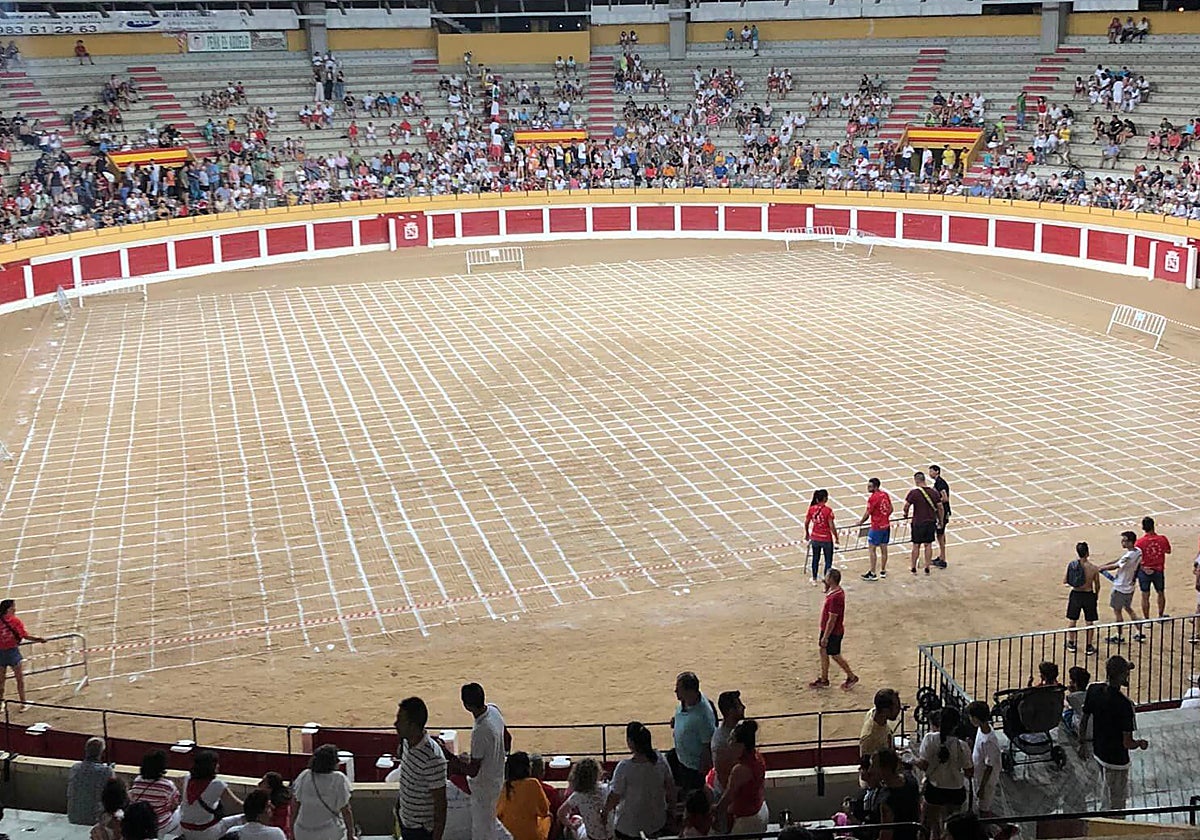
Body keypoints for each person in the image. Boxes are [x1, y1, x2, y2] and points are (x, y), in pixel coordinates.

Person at [1079, 655, 1148, 811]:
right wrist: (1140, 743)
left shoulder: (1093, 689)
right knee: (1116, 801)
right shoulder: (1125, 705)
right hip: (1117, 760)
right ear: (1122, 676)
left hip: (1098, 751)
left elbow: (1084, 719)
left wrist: (1081, 743)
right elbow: (1127, 743)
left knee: (1105, 790)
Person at [447, 683, 506, 840]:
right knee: (490, 822)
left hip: (484, 787)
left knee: (482, 830)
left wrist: (450, 757)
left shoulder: (480, 730)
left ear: (466, 705)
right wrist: (496, 757)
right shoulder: (494, 710)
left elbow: (473, 771)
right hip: (498, 775)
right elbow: (507, 738)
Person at [602, 722, 676, 840]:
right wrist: (671, 812)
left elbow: (614, 797)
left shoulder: (624, 767)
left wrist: (605, 813)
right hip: (656, 823)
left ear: (630, 742)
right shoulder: (660, 760)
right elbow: (671, 789)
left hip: (628, 827)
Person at [393, 697, 447, 840]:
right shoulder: (406, 741)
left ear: (413, 726)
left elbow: (440, 804)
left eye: (400, 720)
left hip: (420, 830)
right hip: (405, 819)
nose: (395, 724)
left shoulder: (433, 759)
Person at [916, 707, 973, 839]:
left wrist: (911, 759)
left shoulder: (930, 739)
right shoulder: (962, 745)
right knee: (952, 830)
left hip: (935, 790)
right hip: (956, 792)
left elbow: (924, 765)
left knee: (929, 826)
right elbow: (969, 772)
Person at [714, 720, 767, 834]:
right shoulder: (757, 757)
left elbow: (727, 798)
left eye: (732, 739)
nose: (729, 742)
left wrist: (715, 811)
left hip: (746, 820)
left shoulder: (740, 770)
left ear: (741, 745)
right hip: (758, 810)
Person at [292, 745, 354, 840]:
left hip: (302, 831)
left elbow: (295, 806)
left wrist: (291, 830)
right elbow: (346, 810)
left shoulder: (305, 775)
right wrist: (350, 834)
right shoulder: (339, 778)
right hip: (329, 832)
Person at [667, 671, 716, 793]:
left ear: (689, 691)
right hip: (681, 758)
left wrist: (702, 773)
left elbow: (707, 746)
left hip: (693, 768)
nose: (675, 691)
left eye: (679, 689)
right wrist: (677, 721)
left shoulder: (703, 717)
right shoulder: (687, 702)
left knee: (692, 794)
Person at [181, 750, 244, 840]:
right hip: (208, 832)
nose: (218, 766)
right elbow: (236, 805)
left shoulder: (187, 778)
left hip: (185, 829)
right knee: (242, 819)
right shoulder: (217, 784)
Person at [811, 569, 858, 690]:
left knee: (835, 655)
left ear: (831, 579)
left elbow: (832, 619)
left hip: (833, 632)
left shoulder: (835, 597)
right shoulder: (836, 591)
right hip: (828, 629)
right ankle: (824, 679)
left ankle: (851, 676)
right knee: (823, 651)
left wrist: (825, 637)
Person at [0, 598, 47, 710]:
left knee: (1, 681)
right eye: (13, 606)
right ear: (9, 609)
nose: (15, 609)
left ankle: (0, 703)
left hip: (1, 653)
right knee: (19, 679)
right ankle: (23, 703)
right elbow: (25, 635)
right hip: (12, 652)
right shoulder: (15, 621)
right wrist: (39, 639)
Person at [1098, 532, 1141, 644]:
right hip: (1130, 586)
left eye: (1124, 540)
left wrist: (1101, 568)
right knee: (1128, 608)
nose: (1122, 542)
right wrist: (1103, 566)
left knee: (1117, 611)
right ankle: (1139, 631)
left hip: (1120, 587)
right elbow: (1119, 560)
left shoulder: (1128, 556)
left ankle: (1119, 635)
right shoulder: (1138, 552)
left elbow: (1115, 566)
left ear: (1130, 542)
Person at [127, 750, 181, 838]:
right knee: (180, 812)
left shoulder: (137, 781)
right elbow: (174, 805)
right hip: (160, 825)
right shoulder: (167, 785)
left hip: (140, 824)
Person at [871, 750, 920, 840]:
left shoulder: (886, 800)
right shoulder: (911, 780)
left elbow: (886, 835)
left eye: (874, 766)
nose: (870, 770)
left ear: (886, 769)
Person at [556, 758, 609, 840]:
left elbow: (560, 813)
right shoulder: (607, 789)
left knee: (575, 819)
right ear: (598, 773)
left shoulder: (578, 795)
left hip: (591, 838)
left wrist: (572, 826)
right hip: (611, 837)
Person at [1064, 541, 1101, 657]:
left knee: (1072, 620)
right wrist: (1096, 595)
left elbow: (1066, 581)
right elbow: (1097, 585)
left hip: (1076, 594)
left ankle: (1071, 643)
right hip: (1088, 595)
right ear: (1087, 553)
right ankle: (1089, 646)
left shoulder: (1072, 565)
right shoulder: (1093, 568)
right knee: (1089, 621)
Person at [68, 737, 115, 825]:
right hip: (95, 818)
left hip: (73, 816)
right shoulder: (106, 771)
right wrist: (110, 770)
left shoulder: (75, 768)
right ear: (101, 753)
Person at [904, 473, 943, 575]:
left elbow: (906, 506)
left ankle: (913, 567)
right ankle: (927, 567)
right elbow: (940, 507)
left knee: (916, 545)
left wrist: (905, 514)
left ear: (916, 480)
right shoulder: (933, 492)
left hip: (918, 522)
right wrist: (940, 520)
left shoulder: (914, 493)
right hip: (930, 521)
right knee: (928, 544)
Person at [965, 702, 1000, 817]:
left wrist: (982, 788)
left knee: (984, 810)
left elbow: (989, 767)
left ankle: (1003, 825)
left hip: (985, 781)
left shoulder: (989, 741)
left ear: (975, 719)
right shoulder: (982, 730)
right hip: (978, 775)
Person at [1135, 516, 1171, 625]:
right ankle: (1160, 616)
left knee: (1145, 595)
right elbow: (1168, 551)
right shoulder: (1162, 539)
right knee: (1160, 593)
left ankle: (1147, 620)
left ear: (1143, 528)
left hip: (1144, 571)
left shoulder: (1139, 542)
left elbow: (1135, 558)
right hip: (1158, 570)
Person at [856, 478, 893, 581]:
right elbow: (891, 509)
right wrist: (884, 516)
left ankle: (872, 573)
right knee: (884, 549)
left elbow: (868, 513)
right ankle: (883, 571)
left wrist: (861, 522)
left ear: (875, 487)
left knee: (872, 549)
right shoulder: (885, 495)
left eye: (870, 487)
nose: (868, 488)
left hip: (876, 527)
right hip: (886, 525)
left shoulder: (873, 498)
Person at [710, 690, 744, 799]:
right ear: (731, 711)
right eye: (739, 705)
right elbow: (723, 777)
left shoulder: (735, 731)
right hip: (732, 795)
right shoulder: (721, 741)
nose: (743, 707)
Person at [805, 490, 838, 585]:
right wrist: (836, 537)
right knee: (828, 560)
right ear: (825, 499)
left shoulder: (811, 509)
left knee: (815, 558)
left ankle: (814, 578)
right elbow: (831, 526)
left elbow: (806, 522)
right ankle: (827, 579)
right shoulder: (828, 510)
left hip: (815, 537)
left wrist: (807, 533)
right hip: (826, 538)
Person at [860, 688, 901, 758]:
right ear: (885, 710)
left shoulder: (874, 713)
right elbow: (867, 763)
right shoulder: (870, 737)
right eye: (896, 707)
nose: (898, 710)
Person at [259, 773, 293, 840]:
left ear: (270, 786)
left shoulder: (271, 806)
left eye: (263, 782)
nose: (259, 784)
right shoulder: (287, 799)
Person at [929, 466, 951, 568]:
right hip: (941, 512)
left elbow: (945, 498)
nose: (930, 473)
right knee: (940, 535)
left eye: (931, 471)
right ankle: (941, 556)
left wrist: (936, 502)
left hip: (943, 512)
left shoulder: (940, 483)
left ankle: (943, 559)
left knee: (940, 534)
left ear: (937, 472)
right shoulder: (937, 482)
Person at [1062, 666, 1090, 738]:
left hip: (1080, 729)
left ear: (1075, 683)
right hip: (1091, 728)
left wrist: (1072, 691)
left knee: (1065, 713)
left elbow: (1070, 701)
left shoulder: (1071, 697)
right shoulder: (1090, 694)